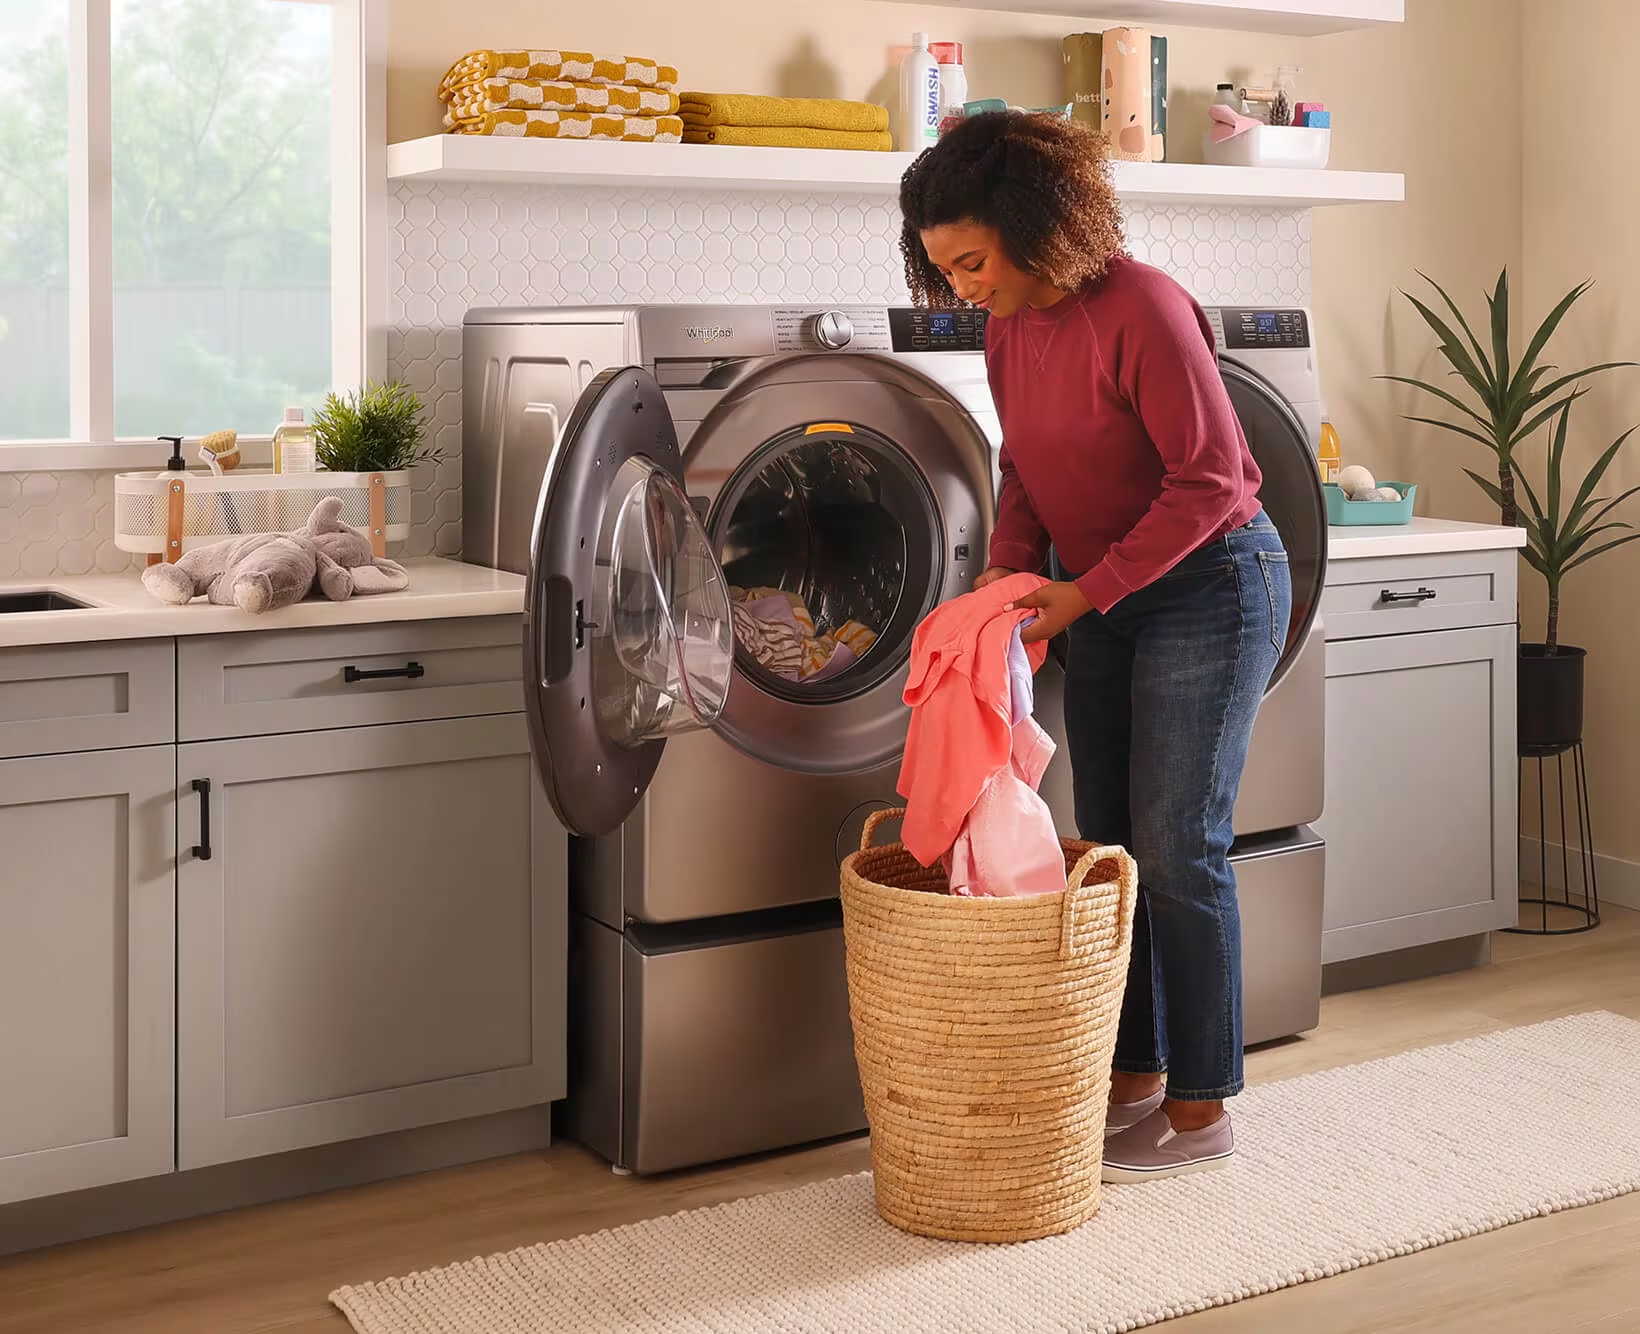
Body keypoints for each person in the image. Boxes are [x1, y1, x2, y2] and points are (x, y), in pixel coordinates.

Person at [899, 110, 1292, 1182]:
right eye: (942, 269)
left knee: (1176, 842)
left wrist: (1083, 593)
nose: (962, 286)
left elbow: (1209, 483)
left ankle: (1204, 1105)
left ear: (1033, 227)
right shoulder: (1004, 325)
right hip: (1096, 591)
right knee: (1107, 840)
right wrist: (1009, 570)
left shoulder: (1143, 308)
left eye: (972, 261)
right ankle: (1131, 1077)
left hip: (1209, 587)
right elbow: (1023, 465)